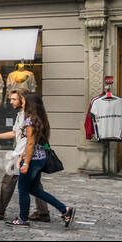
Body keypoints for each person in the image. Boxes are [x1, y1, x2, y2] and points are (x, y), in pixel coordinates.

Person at [0, 89, 49, 221]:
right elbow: (14, 133)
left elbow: (31, 139)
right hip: (23, 153)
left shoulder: (27, 116)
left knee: (8, 181)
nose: (10, 101)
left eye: (14, 99)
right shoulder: (21, 114)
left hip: (21, 154)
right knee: (35, 184)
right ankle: (43, 212)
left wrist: (24, 157)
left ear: (23, 99)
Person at [10, 92, 75, 228]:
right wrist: (40, 155)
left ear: (30, 104)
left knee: (22, 189)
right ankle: (65, 210)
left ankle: (23, 218)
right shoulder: (42, 120)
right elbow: (44, 143)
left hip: (32, 160)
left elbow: (30, 144)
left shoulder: (29, 120)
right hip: (40, 159)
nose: (23, 104)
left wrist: (26, 162)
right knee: (35, 189)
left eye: (25, 102)